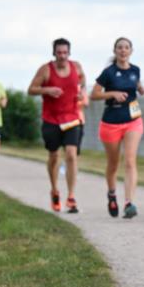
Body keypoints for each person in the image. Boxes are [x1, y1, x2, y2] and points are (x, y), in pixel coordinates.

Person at [28, 38, 86, 213]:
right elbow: (31, 90)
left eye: (65, 52)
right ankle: (54, 190)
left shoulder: (76, 67)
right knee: (54, 156)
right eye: (59, 52)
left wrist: (81, 93)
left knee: (71, 155)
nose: (62, 56)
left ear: (69, 53)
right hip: (51, 119)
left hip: (72, 118)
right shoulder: (46, 70)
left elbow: (83, 81)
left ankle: (71, 196)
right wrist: (47, 90)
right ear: (54, 53)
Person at [91, 37, 144, 219]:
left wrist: (141, 89)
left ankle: (129, 203)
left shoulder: (135, 70)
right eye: (120, 47)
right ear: (115, 51)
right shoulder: (108, 72)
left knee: (130, 161)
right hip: (111, 122)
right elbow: (94, 94)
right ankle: (112, 193)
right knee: (113, 163)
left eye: (126, 47)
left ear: (131, 51)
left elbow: (136, 84)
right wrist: (112, 93)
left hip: (133, 120)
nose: (123, 50)